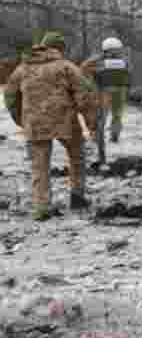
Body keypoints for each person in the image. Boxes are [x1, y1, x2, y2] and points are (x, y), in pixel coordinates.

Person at [3, 31, 97, 221]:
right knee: (77, 156)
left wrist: (21, 120)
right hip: (65, 121)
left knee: (40, 165)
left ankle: (41, 207)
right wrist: (91, 123)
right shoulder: (66, 67)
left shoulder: (23, 68)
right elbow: (84, 96)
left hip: (35, 124)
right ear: (60, 48)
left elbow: (10, 96)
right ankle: (77, 196)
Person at [81, 36, 132, 166]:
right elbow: (82, 70)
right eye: (114, 50)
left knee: (110, 116)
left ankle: (107, 136)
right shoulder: (120, 61)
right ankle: (104, 136)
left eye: (117, 50)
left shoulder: (103, 60)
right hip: (112, 91)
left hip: (112, 91)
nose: (115, 53)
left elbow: (82, 70)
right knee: (109, 115)